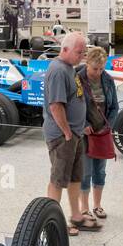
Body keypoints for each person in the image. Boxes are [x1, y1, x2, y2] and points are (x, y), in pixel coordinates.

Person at [43, 32, 96, 235]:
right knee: (58, 179)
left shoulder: (69, 68)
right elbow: (56, 106)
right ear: (64, 49)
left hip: (74, 134)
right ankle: (51, 223)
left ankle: (76, 215)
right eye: (79, 52)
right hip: (62, 136)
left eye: (84, 52)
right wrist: (66, 132)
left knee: (75, 178)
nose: (82, 56)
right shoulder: (58, 71)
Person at [77, 46, 119, 224]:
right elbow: (73, 106)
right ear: (87, 63)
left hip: (102, 132)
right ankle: (84, 208)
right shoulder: (77, 78)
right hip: (84, 133)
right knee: (85, 171)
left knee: (100, 170)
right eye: (95, 68)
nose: (98, 72)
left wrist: (108, 125)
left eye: (101, 68)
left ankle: (97, 205)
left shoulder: (108, 80)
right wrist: (83, 125)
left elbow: (114, 106)